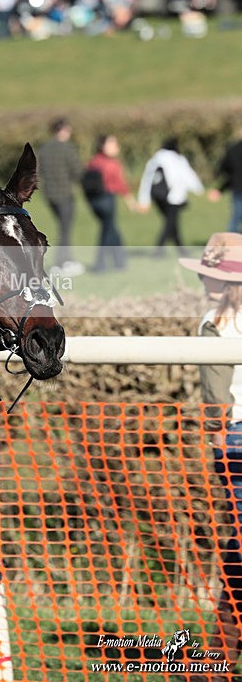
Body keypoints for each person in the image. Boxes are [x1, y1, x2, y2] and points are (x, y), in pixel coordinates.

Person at [179, 232, 242, 673]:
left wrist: (217, 437)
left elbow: (216, 398)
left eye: (209, 275)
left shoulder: (214, 323)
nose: (203, 282)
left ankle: (222, 649)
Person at [137, 137, 204, 256]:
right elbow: (186, 175)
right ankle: (158, 249)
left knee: (172, 223)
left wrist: (144, 200)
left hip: (158, 196)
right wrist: (198, 188)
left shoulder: (155, 159)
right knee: (170, 223)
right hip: (174, 196)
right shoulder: (177, 159)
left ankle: (180, 249)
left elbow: (147, 179)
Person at [37, 117, 84, 276]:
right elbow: (78, 171)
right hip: (65, 194)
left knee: (63, 227)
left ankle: (66, 260)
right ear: (63, 130)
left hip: (50, 195)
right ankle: (62, 263)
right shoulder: (67, 148)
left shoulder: (43, 149)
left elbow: (37, 172)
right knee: (65, 229)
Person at [82, 134, 135, 273]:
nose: (116, 146)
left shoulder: (92, 161)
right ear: (103, 146)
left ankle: (120, 260)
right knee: (108, 230)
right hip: (107, 198)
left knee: (111, 227)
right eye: (112, 143)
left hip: (93, 201)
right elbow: (120, 183)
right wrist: (130, 200)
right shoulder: (112, 163)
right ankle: (100, 264)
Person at [209, 125, 242, 232]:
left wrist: (220, 189)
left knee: (236, 216)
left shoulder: (232, 149)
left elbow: (224, 169)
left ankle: (231, 239)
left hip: (237, 187)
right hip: (237, 186)